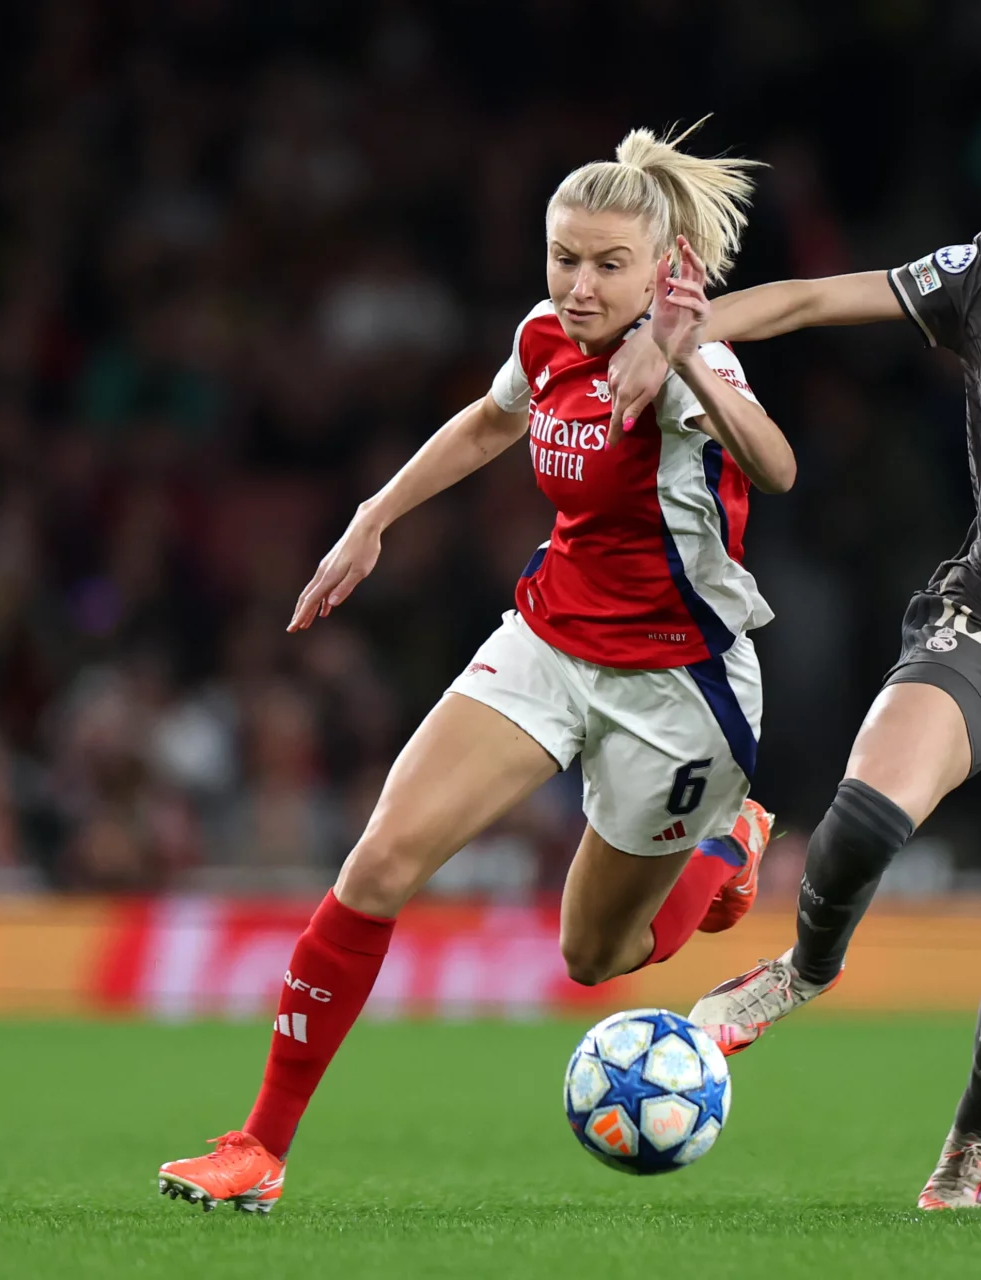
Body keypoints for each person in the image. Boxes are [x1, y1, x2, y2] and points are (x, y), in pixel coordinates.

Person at [157, 124, 794, 1213]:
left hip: (678, 691)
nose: (580, 285)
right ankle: (258, 1147)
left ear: (661, 270)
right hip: (548, 640)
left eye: (607, 265)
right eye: (563, 257)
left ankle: (732, 840)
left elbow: (775, 466)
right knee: (378, 862)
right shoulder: (547, 337)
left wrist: (691, 353)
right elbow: (490, 421)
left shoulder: (694, 366)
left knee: (599, 954)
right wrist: (373, 517)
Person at [610, 106, 981, 1210]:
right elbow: (808, 298)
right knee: (866, 812)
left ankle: (973, 1144)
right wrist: (677, 333)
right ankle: (804, 967)